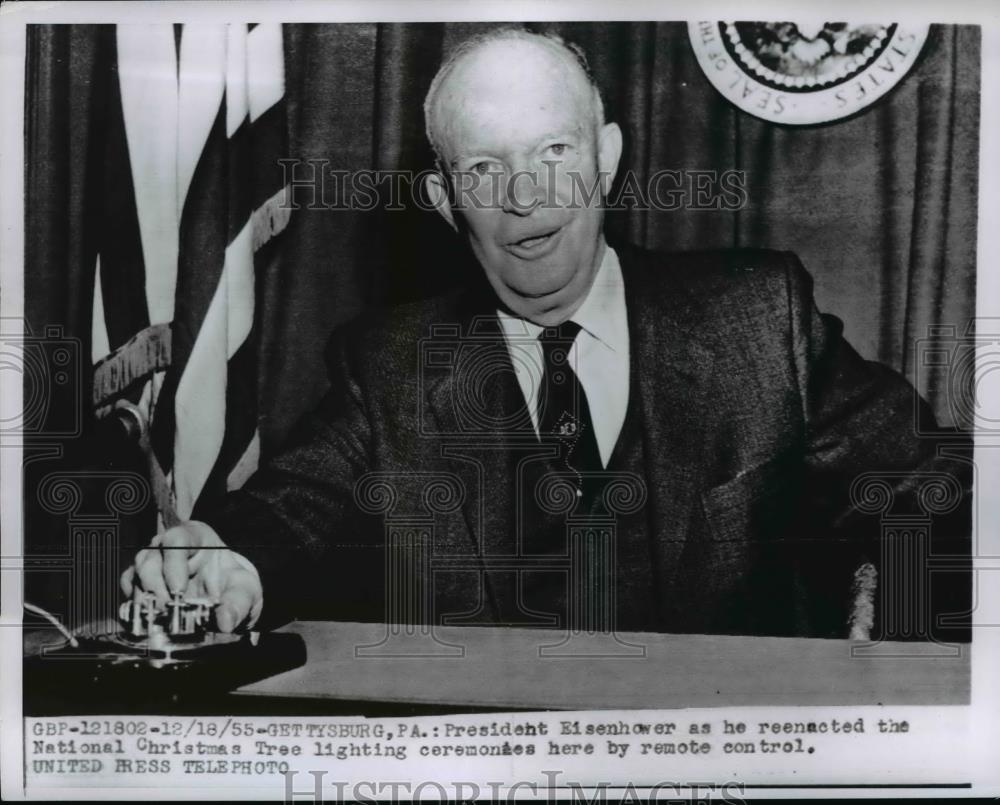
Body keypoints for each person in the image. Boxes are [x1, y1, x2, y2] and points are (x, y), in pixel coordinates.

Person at [122, 28, 968, 639]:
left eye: (553, 151)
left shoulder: (758, 318)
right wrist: (226, 554)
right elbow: (290, 510)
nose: (525, 197)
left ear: (607, 158)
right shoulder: (388, 364)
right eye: (484, 169)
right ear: (446, 201)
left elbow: (940, 482)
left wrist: (885, 594)